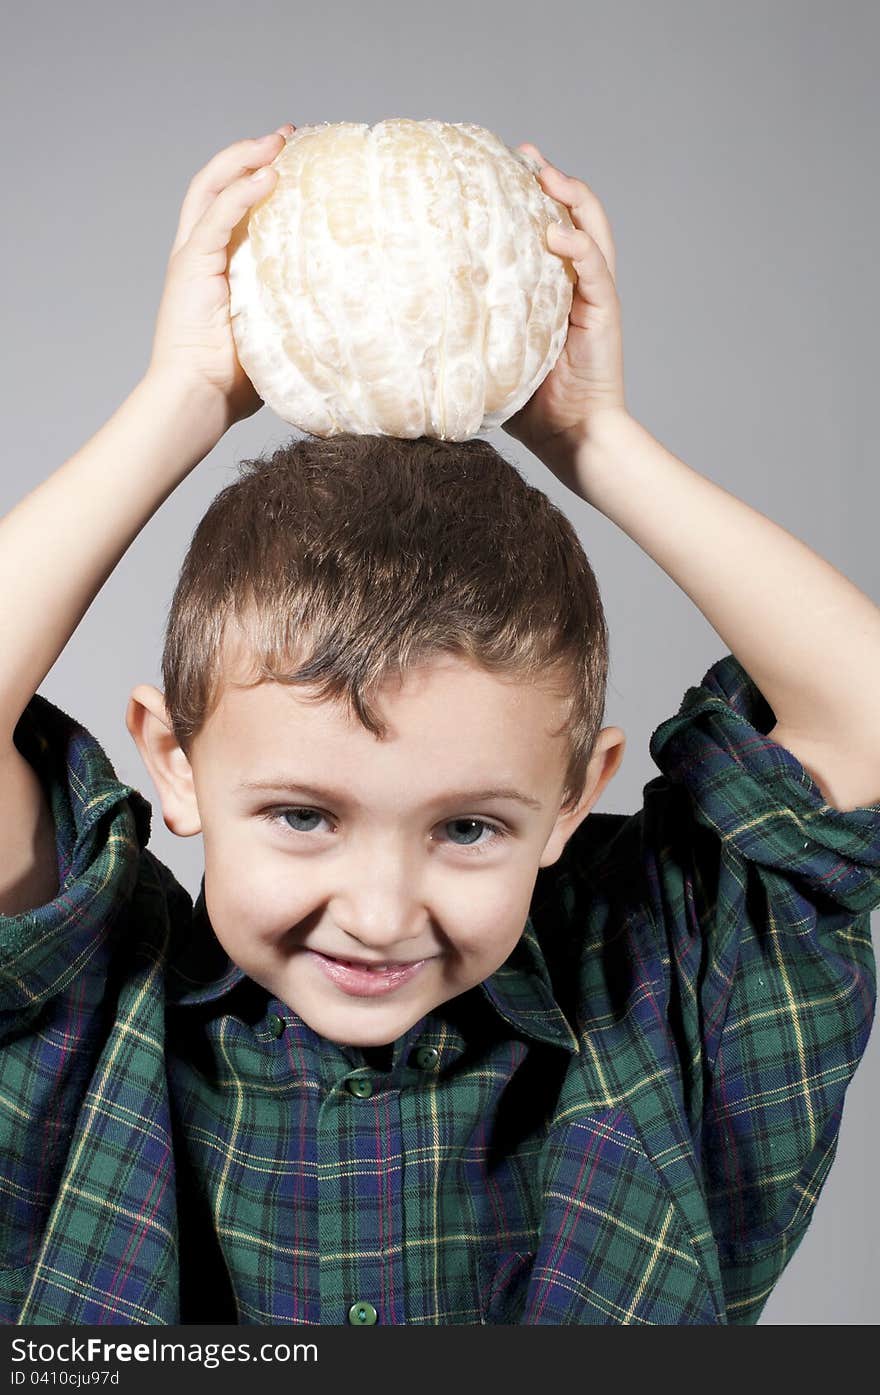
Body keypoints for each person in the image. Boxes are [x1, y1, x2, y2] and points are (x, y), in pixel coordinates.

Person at [1, 125, 878, 1328]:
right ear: (174, 763)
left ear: (575, 794)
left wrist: (599, 443)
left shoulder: (656, 991)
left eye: (466, 827)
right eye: (303, 815)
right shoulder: (87, 998)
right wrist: (178, 403)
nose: (376, 911)